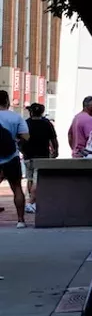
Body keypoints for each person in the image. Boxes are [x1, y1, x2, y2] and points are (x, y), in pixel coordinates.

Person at [0, 90, 31, 227]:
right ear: (7, 101)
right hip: (11, 157)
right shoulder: (16, 117)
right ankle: (20, 220)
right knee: (17, 187)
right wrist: (17, 143)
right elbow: (26, 137)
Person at [20, 103, 57, 215]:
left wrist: (22, 151)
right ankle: (31, 202)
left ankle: (31, 200)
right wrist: (55, 150)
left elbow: (21, 140)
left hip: (28, 155)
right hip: (42, 155)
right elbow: (53, 139)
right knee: (38, 179)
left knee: (30, 178)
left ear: (31, 112)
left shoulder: (26, 124)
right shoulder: (47, 124)